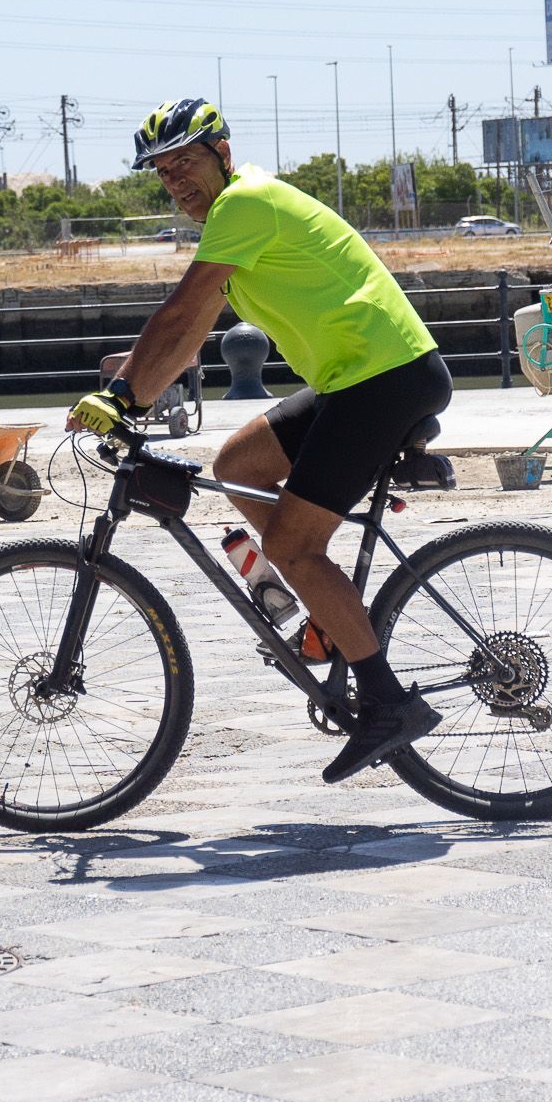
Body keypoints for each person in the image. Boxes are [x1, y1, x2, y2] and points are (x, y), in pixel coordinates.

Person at [71, 99, 455, 784]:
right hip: (355, 380)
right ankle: (323, 610)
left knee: (292, 545)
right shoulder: (234, 219)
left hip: (385, 378)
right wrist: (128, 389)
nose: (175, 180)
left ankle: (386, 703)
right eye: (162, 173)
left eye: (184, 162)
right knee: (238, 463)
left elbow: (181, 309)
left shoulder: (244, 203)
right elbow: (191, 332)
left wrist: (125, 396)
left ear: (221, 151)